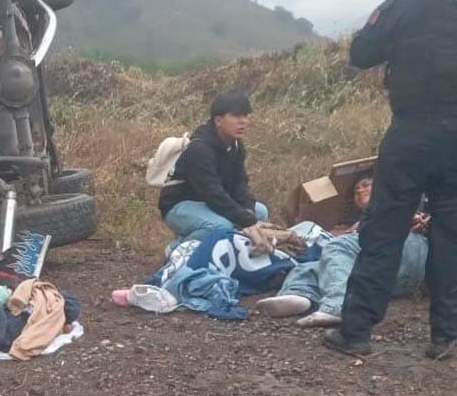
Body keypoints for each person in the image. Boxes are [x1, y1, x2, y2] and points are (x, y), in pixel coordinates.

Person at [324, 0, 457, 359]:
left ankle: (356, 331)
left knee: (384, 227)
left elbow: (362, 52)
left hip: (412, 132)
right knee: (452, 233)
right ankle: (446, 336)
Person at [256, 174, 429, 327]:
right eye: (356, 189)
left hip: (414, 249)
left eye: (367, 184)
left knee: (338, 246)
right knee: (312, 266)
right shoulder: (349, 224)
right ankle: (300, 295)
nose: (361, 190)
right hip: (385, 276)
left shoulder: (404, 198)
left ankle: (337, 305)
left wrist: (413, 218)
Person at [158, 91, 275, 253]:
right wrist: (244, 218)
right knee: (220, 227)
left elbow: (240, 183)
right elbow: (212, 193)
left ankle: (233, 252)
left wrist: (248, 210)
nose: (243, 122)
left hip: (208, 203)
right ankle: (177, 249)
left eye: (245, 116)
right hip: (179, 206)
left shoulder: (235, 146)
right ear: (218, 120)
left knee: (260, 212)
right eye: (235, 116)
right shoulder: (199, 149)